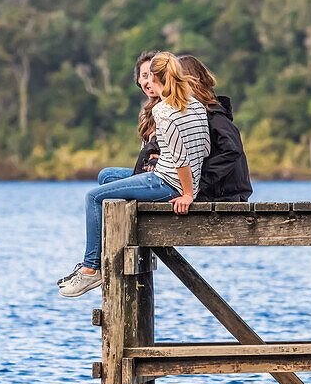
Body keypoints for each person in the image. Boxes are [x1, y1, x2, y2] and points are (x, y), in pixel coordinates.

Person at [58, 52, 210, 297]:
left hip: (166, 183)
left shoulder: (163, 111)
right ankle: (104, 249)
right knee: (106, 177)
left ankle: (90, 269)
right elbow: (204, 149)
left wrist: (188, 193)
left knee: (93, 198)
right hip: (174, 178)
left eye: (151, 76)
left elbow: (180, 157)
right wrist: (192, 180)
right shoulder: (197, 105)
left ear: (159, 79)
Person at [178, 55, 252, 202]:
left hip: (225, 196)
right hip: (217, 193)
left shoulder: (214, 115)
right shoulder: (204, 112)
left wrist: (202, 181)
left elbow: (232, 149)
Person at [96, 51, 161, 188]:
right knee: (105, 175)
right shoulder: (146, 110)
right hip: (147, 171)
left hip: (162, 176)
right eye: (144, 76)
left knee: (105, 180)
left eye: (154, 75)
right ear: (138, 80)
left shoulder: (166, 107)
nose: (149, 81)